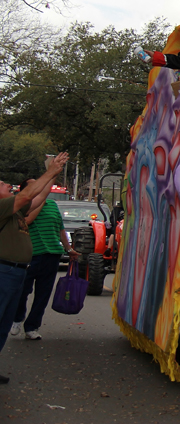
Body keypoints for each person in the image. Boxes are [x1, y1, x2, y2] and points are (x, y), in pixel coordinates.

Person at [0, 152, 69, 384]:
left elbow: (38, 197)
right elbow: (28, 195)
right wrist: (49, 171)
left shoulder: (14, 211)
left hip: (16, 271)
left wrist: (53, 174)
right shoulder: (3, 207)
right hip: (4, 271)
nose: (7, 185)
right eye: (2, 184)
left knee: (3, 325)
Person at [10, 176, 77, 341]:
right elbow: (27, 221)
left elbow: (60, 228)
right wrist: (39, 202)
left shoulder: (53, 205)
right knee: (22, 291)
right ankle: (18, 318)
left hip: (52, 255)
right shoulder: (20, 207)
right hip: (29, 256)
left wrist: (68, 248)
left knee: (43, 294)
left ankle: (32, 327)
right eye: (35, 186)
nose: (40, 188)